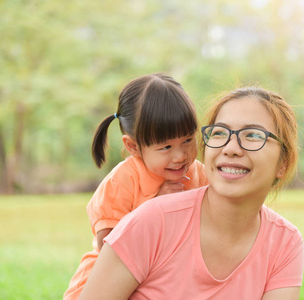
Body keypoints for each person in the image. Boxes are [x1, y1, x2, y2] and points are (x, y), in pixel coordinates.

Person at [79, 86, 304, 300]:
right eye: (219, 133)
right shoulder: (152, 220)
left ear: (283, 162)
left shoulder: (285, 243)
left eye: (253, 135)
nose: (231, 148)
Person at [63, 73, 208, 299]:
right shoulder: (124, 180)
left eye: (188, 140)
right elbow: (107, 242)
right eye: (166, 147)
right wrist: (155, 206)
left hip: (165, 277)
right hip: (108, 280)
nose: (181, 155)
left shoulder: (198, 173)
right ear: (133, 146)